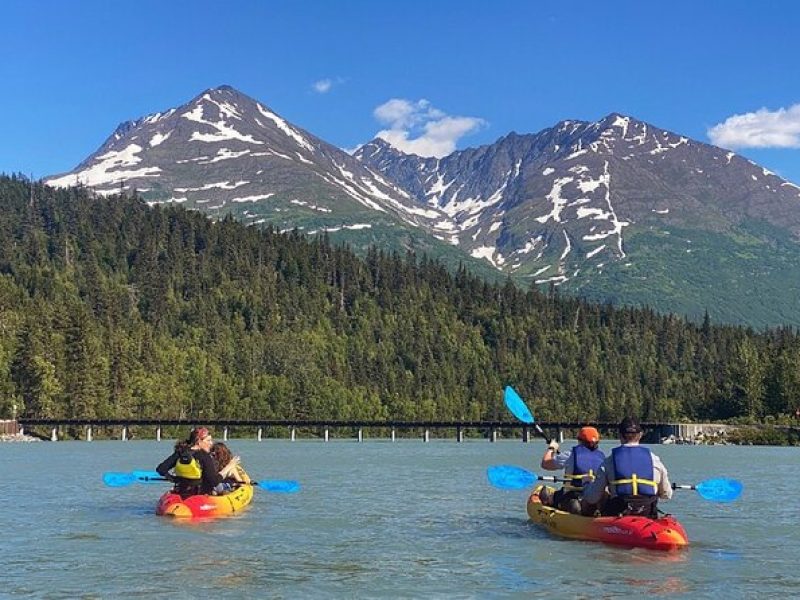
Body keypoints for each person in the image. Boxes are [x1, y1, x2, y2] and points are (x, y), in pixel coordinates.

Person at [582, 416, 672, 517]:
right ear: (640, 435)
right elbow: (667, 495)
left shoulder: (608, 462)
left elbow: (592, 498)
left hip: (619, 514)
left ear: (620, 435)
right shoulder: (655, 460)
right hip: (646, 513)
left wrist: (586, 484)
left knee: (604, 494)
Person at [538, 426, 605, 515]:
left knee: (546, 494)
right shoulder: (602, 457)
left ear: (579, 440)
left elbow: (545, 463)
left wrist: (552, 448)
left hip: (572, 495)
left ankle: (550, 501)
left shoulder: (570, 455)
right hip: (595, 496)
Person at [156, 427, 223, 498]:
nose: (211, 443)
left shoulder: (181, 452)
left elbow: (161, 469)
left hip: (181, 492)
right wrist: (228, 468)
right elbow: (214, 482)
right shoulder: (204, 456)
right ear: (199, 441)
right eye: (208, 440)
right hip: (199, 495)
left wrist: (175, 479)